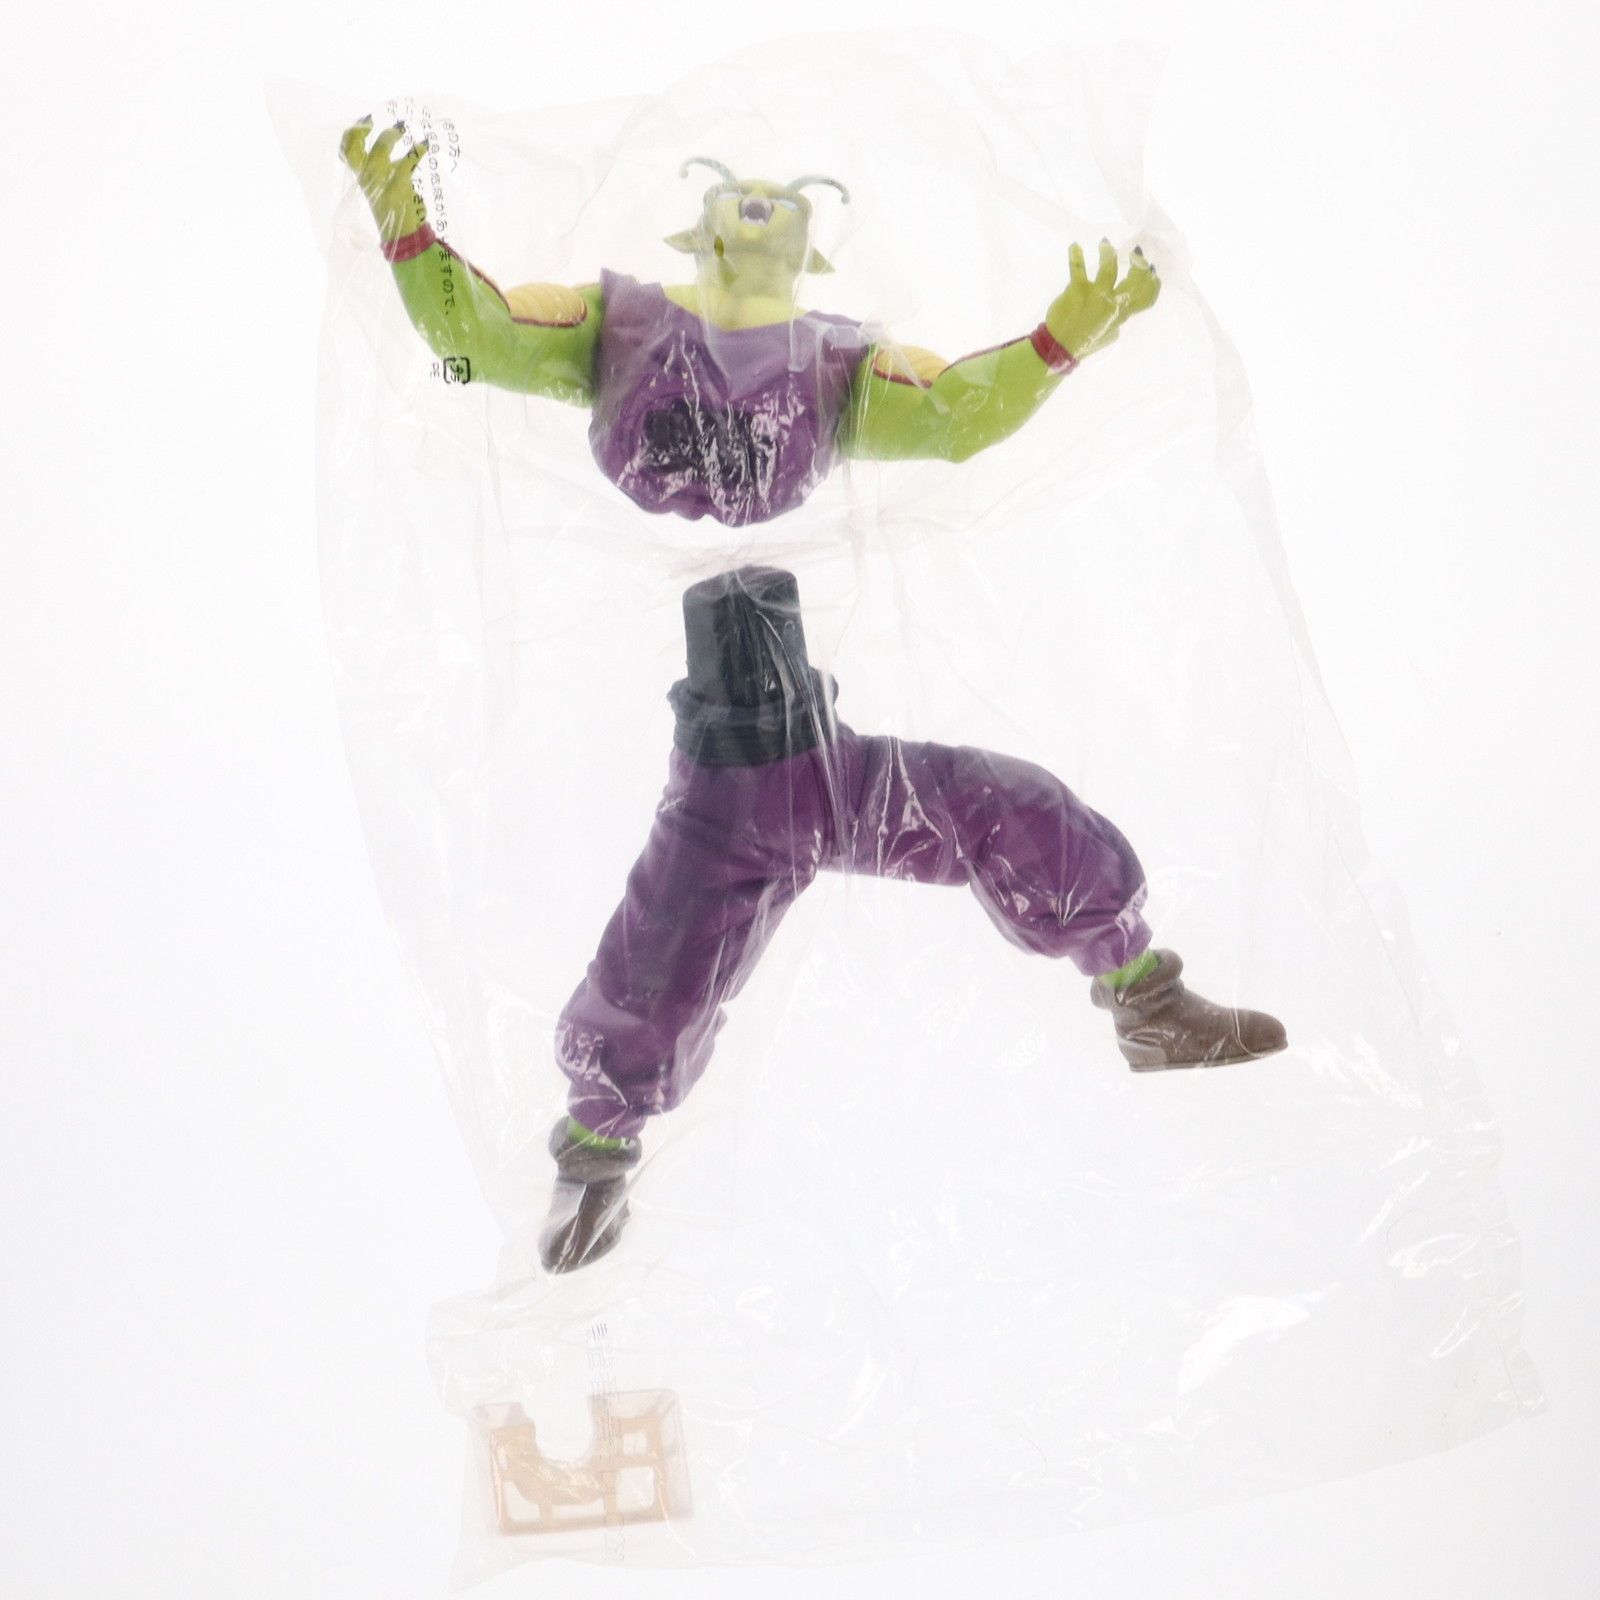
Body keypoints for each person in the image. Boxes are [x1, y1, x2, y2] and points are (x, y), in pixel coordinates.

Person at [339, 123, 1287, 1273]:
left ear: (810, 247)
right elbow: (472, 337)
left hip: (810, 766)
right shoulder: (619, 323)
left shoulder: (833, 367)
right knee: (654, 978)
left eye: (786, 196)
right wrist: (404, 226)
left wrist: (1059, 339)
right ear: (696, 224)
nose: (760, 197)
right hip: (733, 778)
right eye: (737, 189)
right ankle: (591, 1161)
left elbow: (955, 417)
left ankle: (1144, 997)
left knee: (1015, 808)